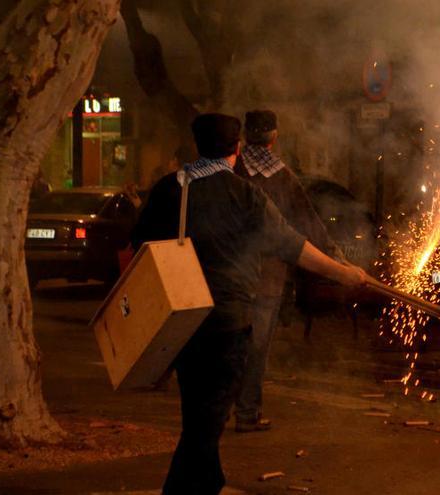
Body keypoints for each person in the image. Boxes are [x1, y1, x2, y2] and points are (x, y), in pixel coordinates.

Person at [134, 113, 367, 494]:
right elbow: (294, 246)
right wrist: (343, 273)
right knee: (206, 424)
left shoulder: (169, 189)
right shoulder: (244, 195)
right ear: (236, 149)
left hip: (180, 318)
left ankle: (211, 482)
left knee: (199, 415)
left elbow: (140, 242)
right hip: (226, 322)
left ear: (198, 146)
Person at [231, 109, 344, 433]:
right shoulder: (282, 177)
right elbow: (309, 224)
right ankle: (247, 414)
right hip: (267, 278)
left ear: (246, 135)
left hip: (230, 276)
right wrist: (337, 260)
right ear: (274, 136)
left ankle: (219, 409)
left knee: (229, 345)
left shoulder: (232, 170)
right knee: (256, 349)